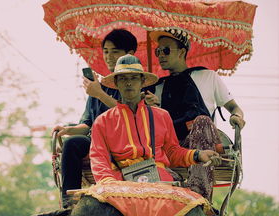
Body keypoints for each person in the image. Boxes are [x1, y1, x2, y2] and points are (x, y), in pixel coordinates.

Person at [145, 29, 246, 200]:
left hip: (204, 140)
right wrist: (152, 108)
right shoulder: (157, 87)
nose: (161, 55)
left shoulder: (208, 76)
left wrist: (237, 117)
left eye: (166, 50)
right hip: (173, 145)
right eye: (158, 51)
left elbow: (235, 108)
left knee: (202, 121)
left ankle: (199, 195)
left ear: (182, 52)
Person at [90, 54, 221, 185]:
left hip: (160, 177)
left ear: (142, 82)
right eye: (123, 78)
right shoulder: (102, 121)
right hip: (122, 183)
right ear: (116, 83)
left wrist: (198, 155)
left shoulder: (162, 116)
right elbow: (98, 158)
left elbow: (172, 152)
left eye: (134, 78)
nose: (128, 83)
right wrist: (108, 183)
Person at [52, 29, 140, 208]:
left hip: (127, 143)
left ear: (129, 54)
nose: (109, 57)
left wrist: (100, 94)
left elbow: (132, 116)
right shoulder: (98, 87)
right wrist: (68, 130)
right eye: (106, 51)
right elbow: (87, 124)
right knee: (72, 143)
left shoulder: (138, 83)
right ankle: (69, 203)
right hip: (98, 141)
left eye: (115, 51)